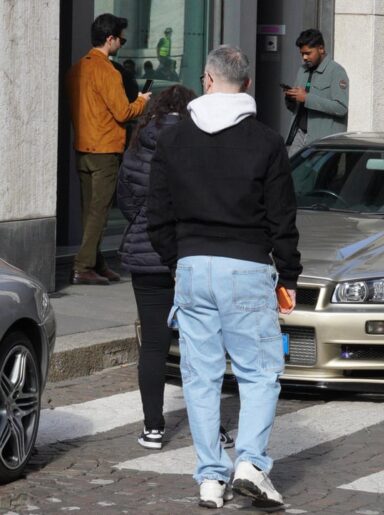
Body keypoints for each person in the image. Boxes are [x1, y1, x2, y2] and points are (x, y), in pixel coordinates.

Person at [147, 45, 301, 509]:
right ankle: (250, 462)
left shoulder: (173, 140)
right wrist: (288, 273)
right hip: (248, 265)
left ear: (207, 80)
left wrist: (181, 260)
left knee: (200, 376)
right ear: (247, 86)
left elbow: (157, 215)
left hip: (193, 265)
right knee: (258, 374)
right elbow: (282, 217)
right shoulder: (267, 141)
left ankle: (210, 477)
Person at [116, 85, 235, 451]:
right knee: (201, 344)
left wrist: (145, 221)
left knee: (153, 345)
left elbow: (124, 198)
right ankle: (211, 428)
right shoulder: (197, 141)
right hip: (190, 252)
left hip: (146, 253)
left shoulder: (139, 145)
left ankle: (153, 428)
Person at [66, 13, 150, 285]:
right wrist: (141, 101)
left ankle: (96, 261)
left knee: (89, 210)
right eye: (121, 40)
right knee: (99, 211)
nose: (121, 44)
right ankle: (83, 266)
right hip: (105, 149)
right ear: (110, 39)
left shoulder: (77, 68)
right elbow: (123, 112)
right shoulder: (108, 71)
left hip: (83, 145)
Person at [284, 28, 349, 155]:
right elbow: (297, 107)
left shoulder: (336, 71)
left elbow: (341, 108)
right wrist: (291, 98)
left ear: (321, 49)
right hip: (300, 134)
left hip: (323, 141)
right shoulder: (302, 70)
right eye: (302, 54)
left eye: (308, 53)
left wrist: (307, 98)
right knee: (292, 171)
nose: (305, 57)